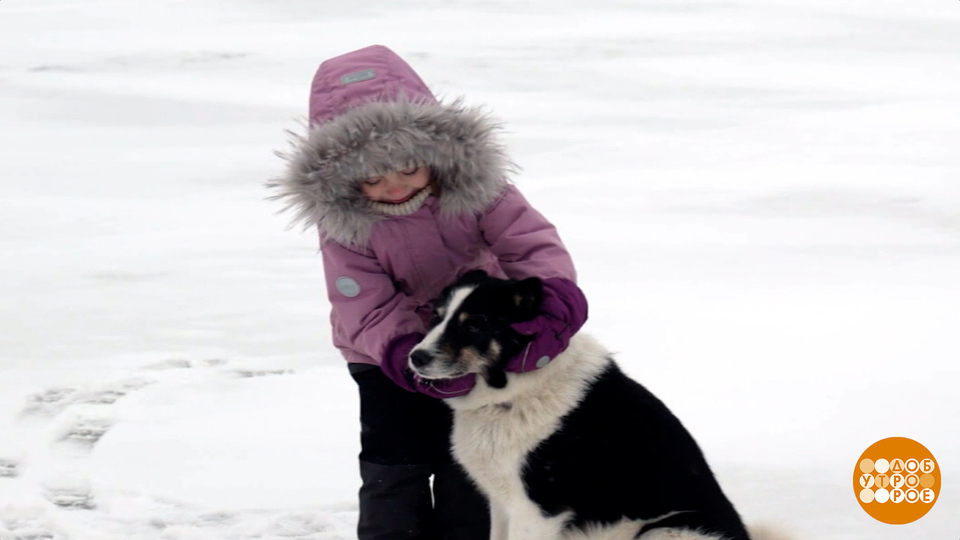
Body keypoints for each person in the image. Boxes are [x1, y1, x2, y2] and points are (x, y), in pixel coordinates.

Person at [268, 45, 588, 540]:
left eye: (408, 168)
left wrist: (552, 303)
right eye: (373, 177)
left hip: (469, 343)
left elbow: (529, 242)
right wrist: (403, 355)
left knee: (470, 460)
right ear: (341, 178)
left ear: (435, 153)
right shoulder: (345, 225)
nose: (395, 187)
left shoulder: (478, 189)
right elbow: (365, 305)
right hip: (383, 355)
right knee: (395, 463)